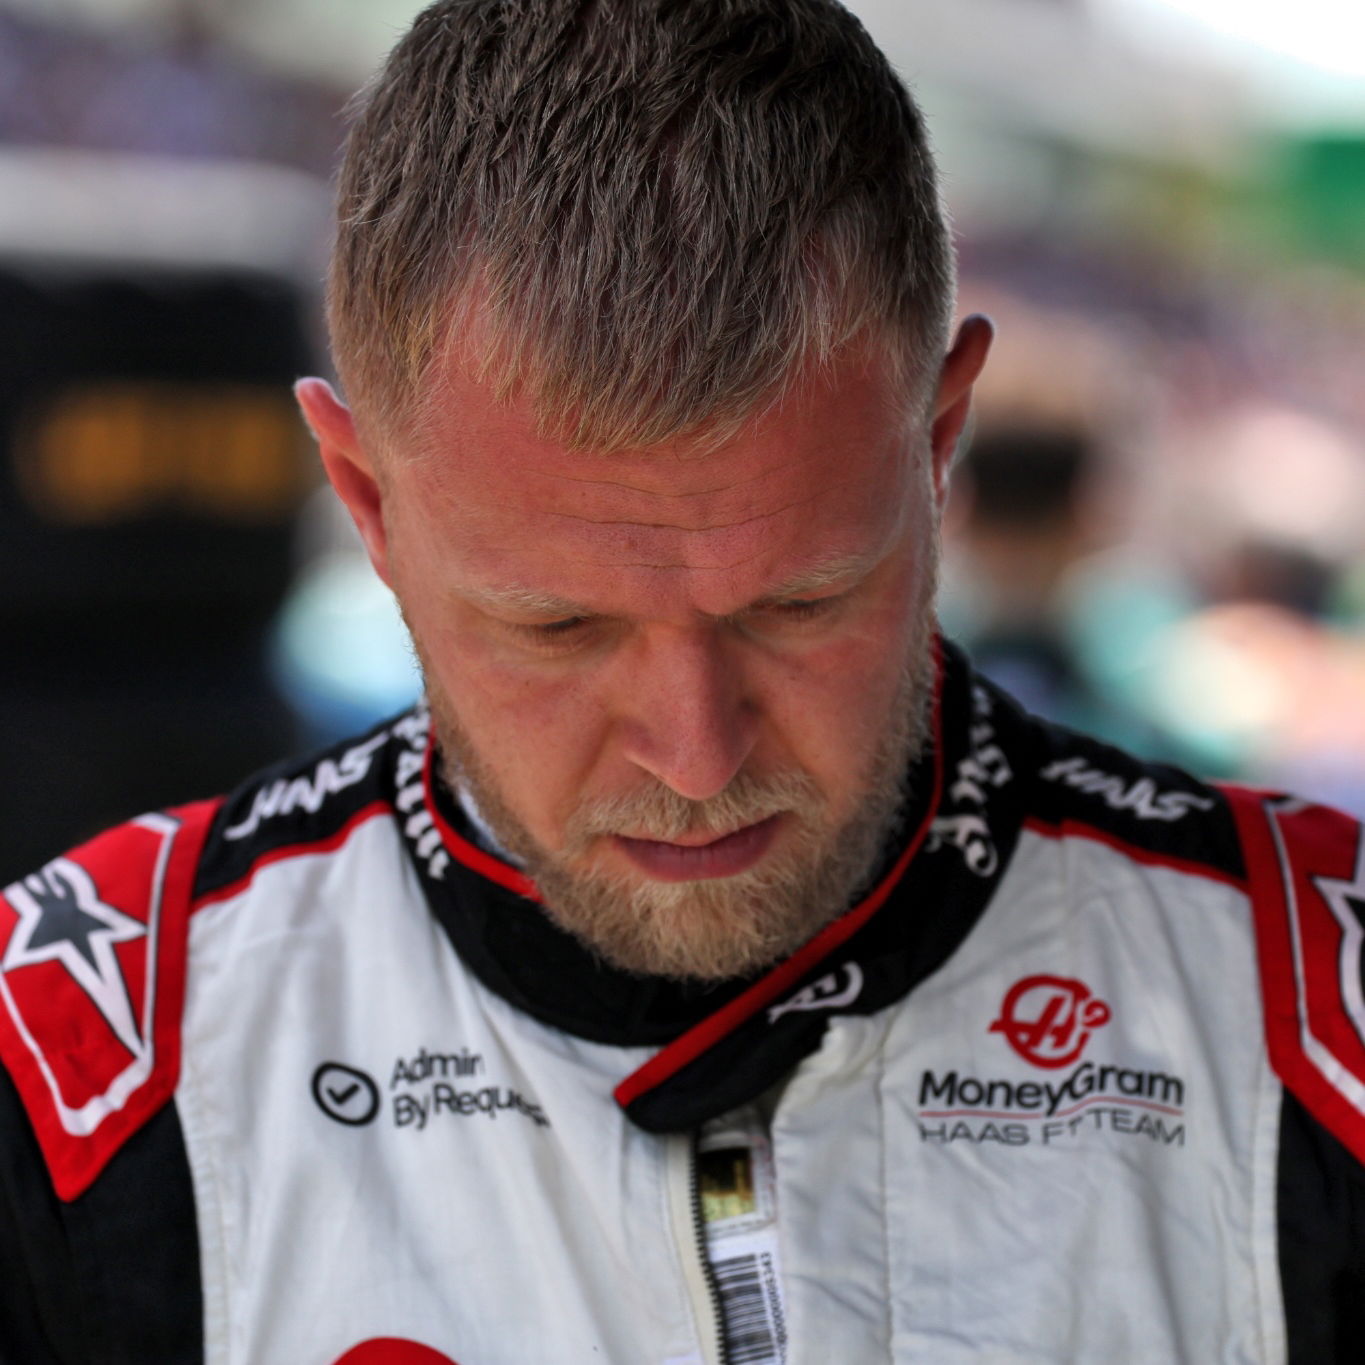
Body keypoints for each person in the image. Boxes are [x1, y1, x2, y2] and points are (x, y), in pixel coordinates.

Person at [1, 2, 1362, 1361]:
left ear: (938, 440)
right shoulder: (67, 1060)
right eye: (560, 626)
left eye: (798, 604)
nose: (695, 753)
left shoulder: (1318, 1011)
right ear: (363, 498)